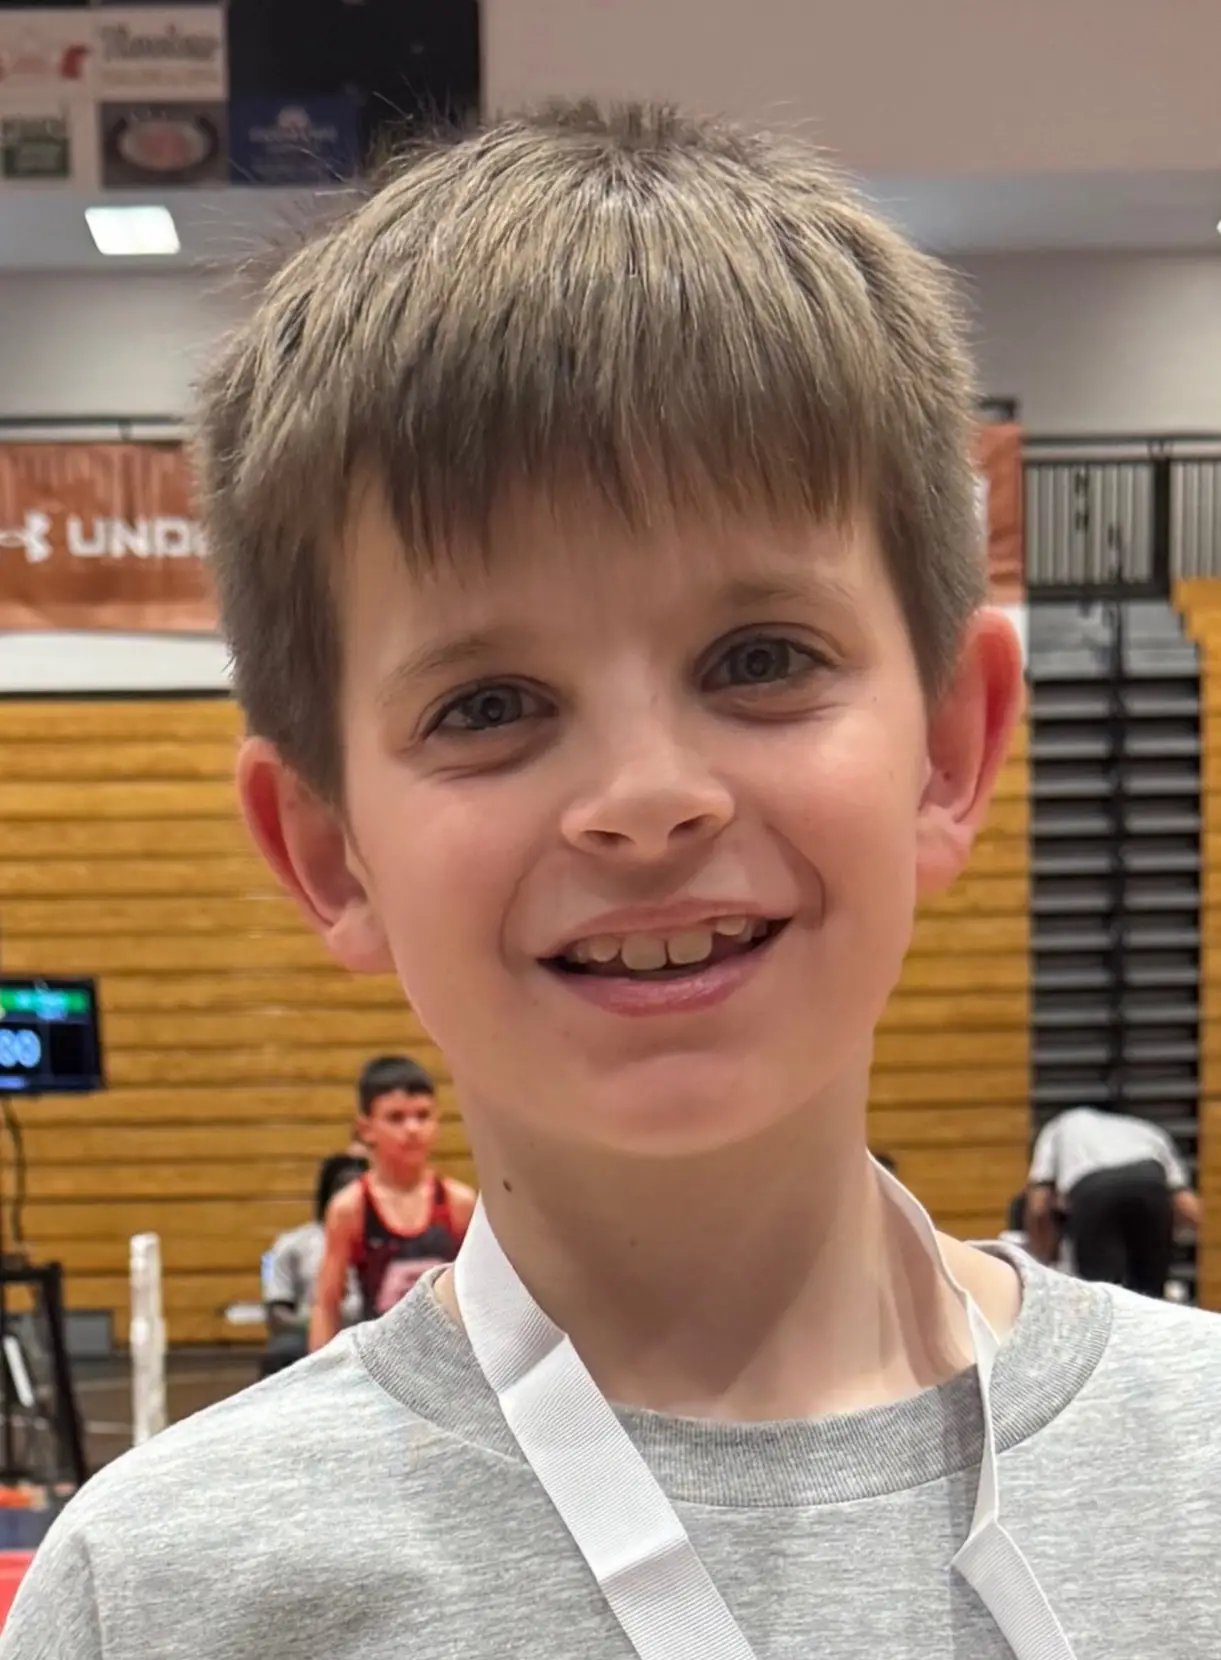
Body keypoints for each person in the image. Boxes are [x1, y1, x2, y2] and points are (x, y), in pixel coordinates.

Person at [6, 102, 1221, 1660]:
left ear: (947, 747)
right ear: (328, 851)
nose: (645, 800)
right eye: (488, 704)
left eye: (759, 660)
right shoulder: (169, 1595)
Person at [308, 1056, 476, 1349]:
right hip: (380, 1357)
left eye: (423, 1115)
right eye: (396, 1118)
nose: (412, 1128)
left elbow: (480, 1296)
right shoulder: (351, 1208)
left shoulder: (459, 1203)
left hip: (446, 1357)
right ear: (366, 1129)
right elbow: (327, 1304)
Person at [1024, 1104, 1201, 1297]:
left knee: (1102, 1294)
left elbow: (1039, 1207)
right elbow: (1188, 1206)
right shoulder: (1148, 1130)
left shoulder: (1058, 1126)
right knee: (1150, 1296)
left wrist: (1044, 1261)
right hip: (1150, 1181)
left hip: (1092, 1189)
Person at [259, 1154, 366, 1378]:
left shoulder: (389, 1246)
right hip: (309, 1336)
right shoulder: (293, 1244)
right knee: (282, 1351)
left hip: (373, 1335)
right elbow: (276, 1315)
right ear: (328, 1194)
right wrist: (320, 1324)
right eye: (344, 1190)